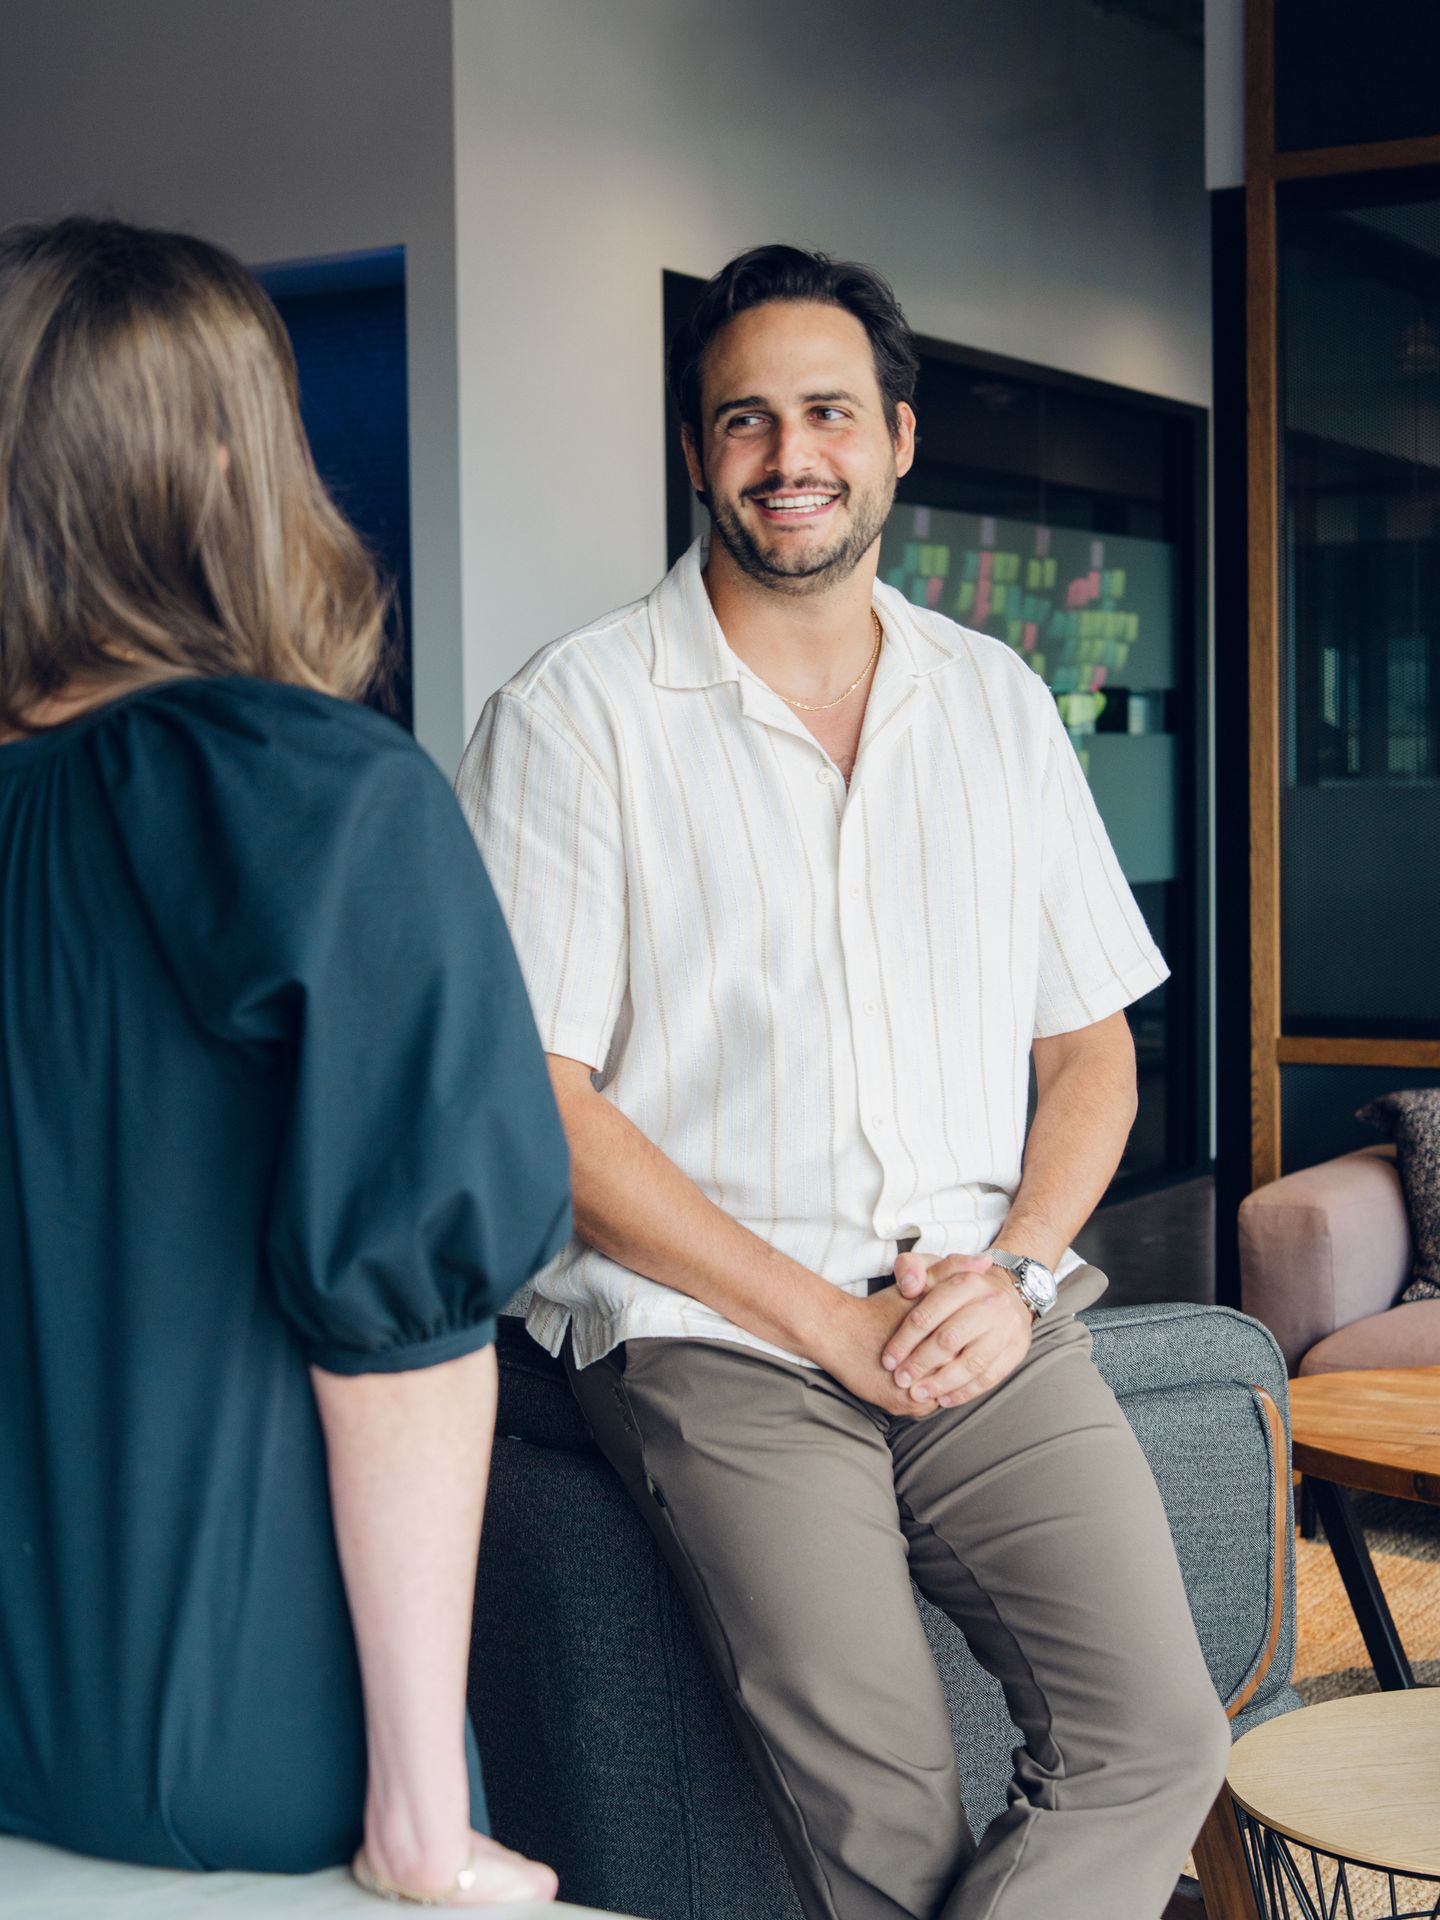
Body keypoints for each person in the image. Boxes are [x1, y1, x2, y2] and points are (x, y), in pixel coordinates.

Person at [457, 245, 1231, 1920]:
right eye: (744, 419)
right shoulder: (573, 717)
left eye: (826, 413)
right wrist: (827, 1321)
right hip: (714, 1338)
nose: (787, 454)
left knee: (1161, 1740)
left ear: (895, 438)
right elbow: (540, 1104)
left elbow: (1089, 1049)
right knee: (885, 1817)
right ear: (695, 453)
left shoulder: (996, 702)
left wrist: (1020, 1269)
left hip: (977, 1309)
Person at [0, 217, 567, 1908]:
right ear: (232, 463)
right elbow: (401, 1343)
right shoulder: (321, 800)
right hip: (240, 1750)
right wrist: (421, 1818)